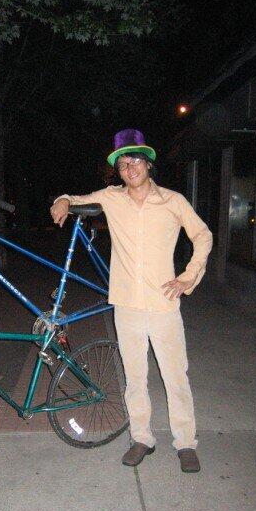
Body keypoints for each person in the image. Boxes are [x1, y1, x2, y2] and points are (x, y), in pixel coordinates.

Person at [50, 129, 213, 473]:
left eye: (135, 161)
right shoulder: (111, 198)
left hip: (163, 304)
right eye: (123, 164)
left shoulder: (173, 201)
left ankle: (185, 442)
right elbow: (74, 198)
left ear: (148, 164)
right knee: (135, 379)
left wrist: (188, 276)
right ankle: (142, 438)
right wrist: (61, 200)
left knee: (175, 377)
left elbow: (202, 235)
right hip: (126, 306)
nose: (130, 168)